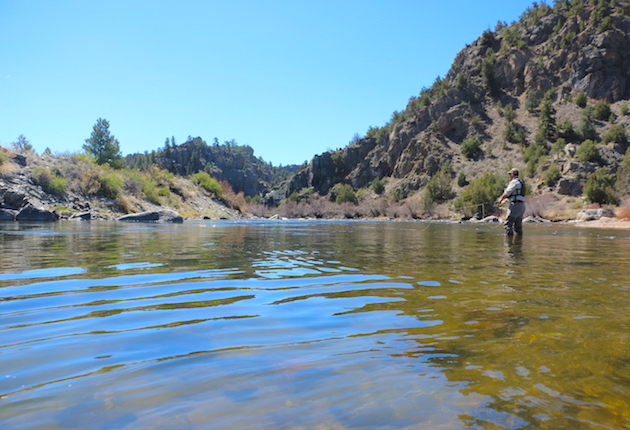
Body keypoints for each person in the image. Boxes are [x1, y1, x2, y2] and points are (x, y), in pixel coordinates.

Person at [497, 168, 526, 236]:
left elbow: (507, 193)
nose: (509, 175)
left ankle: (509, 244)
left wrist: (501, 199)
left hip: (515, 205)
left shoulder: (514, 182)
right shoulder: (520, 182)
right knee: (518, 226)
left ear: (513, 174)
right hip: (521, 206)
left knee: (508, 224)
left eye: (510, 174)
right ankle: (519, 244)